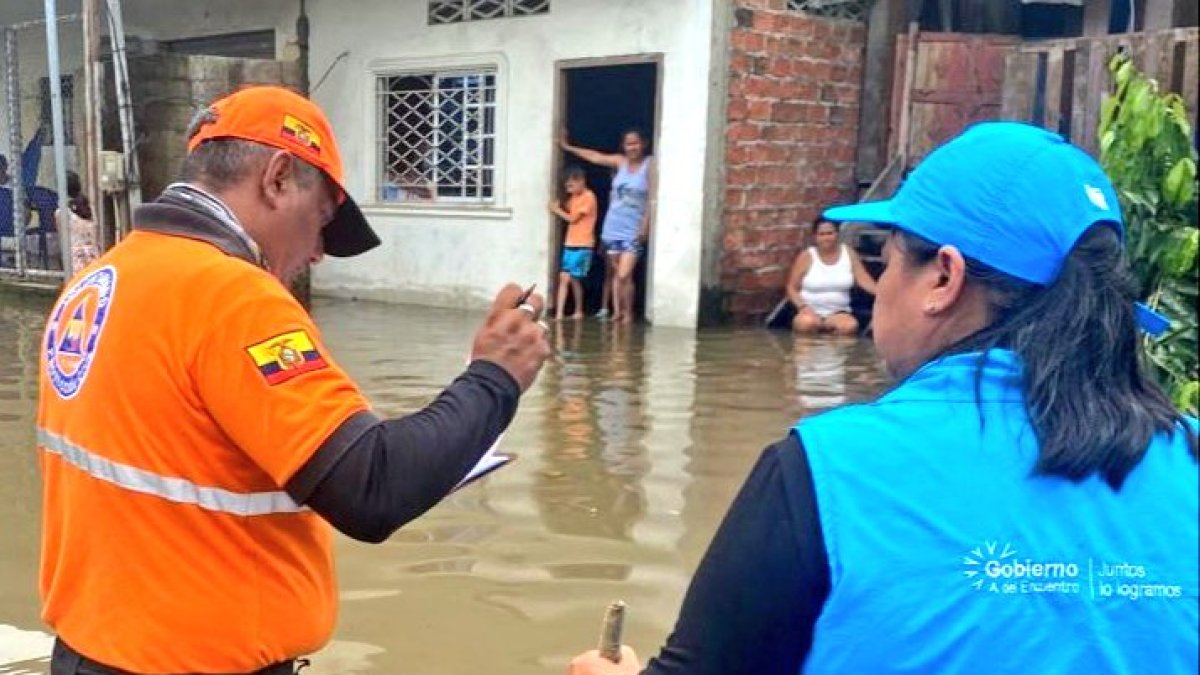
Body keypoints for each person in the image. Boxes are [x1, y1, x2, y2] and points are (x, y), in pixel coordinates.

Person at [566, 122, 1198, 674]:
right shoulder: (1190, 455)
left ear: (943, 277)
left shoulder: (825, 470)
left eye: (891, 260)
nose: (883, 283)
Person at [36, 85, 552, 674]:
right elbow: (373, 488)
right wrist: (493, 376)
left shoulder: (102, 279)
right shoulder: (232, 296)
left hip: (89, 653)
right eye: (322, 220)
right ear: (278, 178)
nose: (319, 252)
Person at [561, 129, 653, 324]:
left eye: (635, 143)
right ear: (623, 146)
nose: (632, 148)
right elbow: (596, 157)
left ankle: (628, 314)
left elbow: (652, 198)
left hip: (633, 229)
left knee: (624, 273)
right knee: (619, 275)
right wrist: (569, 147)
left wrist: (645, 226)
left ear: (643, 144)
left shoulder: (649, 165)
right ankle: (622, 315)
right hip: (613, 228)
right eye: (628, 144)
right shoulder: (620, 162)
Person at [785, 217, 877, 335]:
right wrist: (802, 307)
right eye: (821, 234)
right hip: (809, 310)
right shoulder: (807, 256)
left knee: (849, 326)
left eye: (830, 233)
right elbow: (791, 287)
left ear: (837, 234)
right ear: (815, 237)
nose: (826, 238)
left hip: (839, 312)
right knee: (806, 323)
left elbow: (863, 279)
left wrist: (881, 293)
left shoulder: (848, 253)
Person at [549, 165, 598, 320]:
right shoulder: (574, 198)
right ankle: (563, 313)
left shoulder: (589, 197)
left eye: (571, 185)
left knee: (573, 278)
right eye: (567, 186)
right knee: (566, 277)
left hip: (583, 244)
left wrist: (556, 210)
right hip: (570, 243)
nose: (569, 189)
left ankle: (576, 311)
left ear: (581, 181)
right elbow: (567, 206)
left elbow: (573, 219)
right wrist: (559, 203)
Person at [57, 171, 99, 274]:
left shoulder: (62, 212)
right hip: (93, 253)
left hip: (75, 256)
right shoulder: (89, 206)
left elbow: (61, 234)